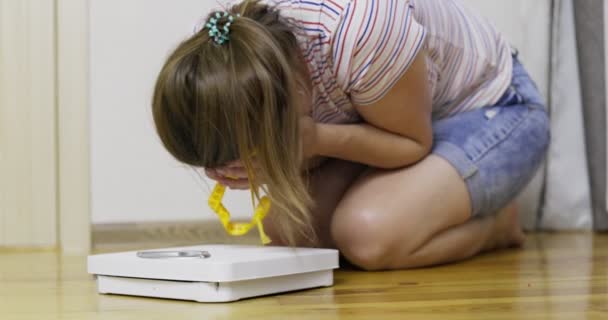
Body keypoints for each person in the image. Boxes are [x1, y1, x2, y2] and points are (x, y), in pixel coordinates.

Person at [152, 0, 550, 271]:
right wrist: (266, 159)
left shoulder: (360, 33)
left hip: (495, 109)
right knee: (285, 231)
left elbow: (413, 143)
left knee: (366, 236)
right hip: (393, 123)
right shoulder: (222, 53)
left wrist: (313, 141)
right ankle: (414, 209)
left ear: (292, 90)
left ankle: (499, 226)